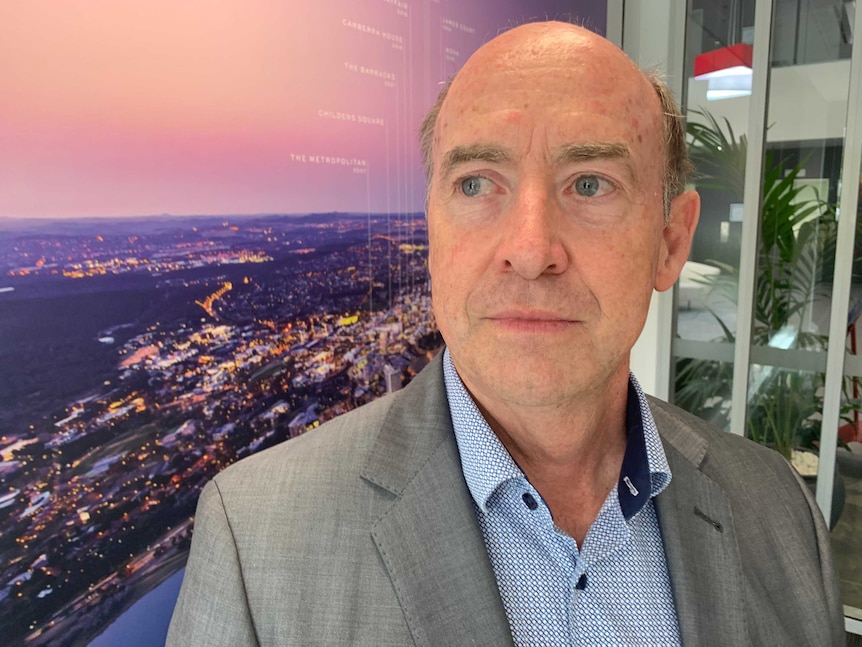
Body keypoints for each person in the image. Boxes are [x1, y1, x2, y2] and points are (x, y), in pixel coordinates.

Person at [167, 21, 844, 646]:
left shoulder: (778, 512)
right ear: (432, 235)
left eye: (589, 183)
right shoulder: (256, 539)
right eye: (475, 184)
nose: (529, 248)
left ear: (670, 240)